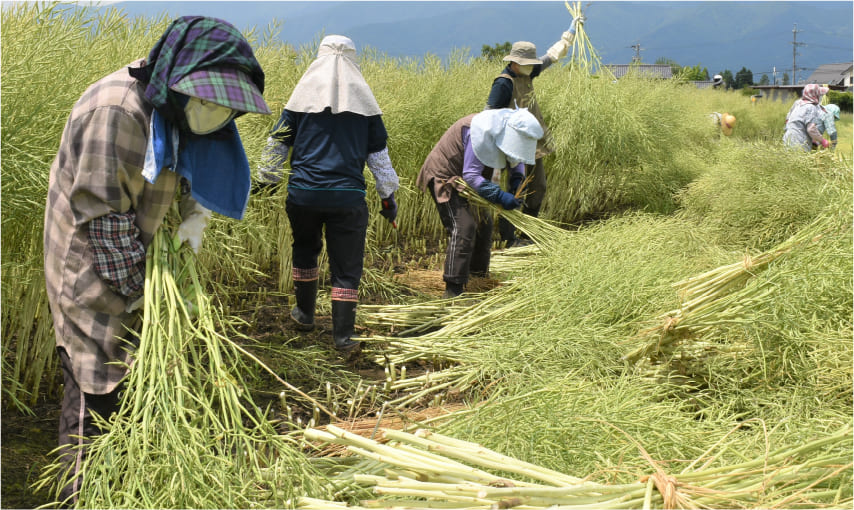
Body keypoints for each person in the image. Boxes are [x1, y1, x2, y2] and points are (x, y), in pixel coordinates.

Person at [43, 16, 270, 505]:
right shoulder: (118, 112)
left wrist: (194, 219)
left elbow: (194, 178)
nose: (216, 111)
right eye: (208, 98)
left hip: (142, 247)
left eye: (226, 104)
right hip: (94, 265)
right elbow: (104, 219)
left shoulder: (185, 112)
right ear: (175, 79)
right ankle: (84, 497)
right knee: (98, 389)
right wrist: (152, 298)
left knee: (144, 385)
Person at [257, 35, 399, 353]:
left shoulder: (298, 103)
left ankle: (305, 314)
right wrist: (388, 198)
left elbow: (276, 145)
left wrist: (264, 183)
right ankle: (343, 337)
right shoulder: (366, 108)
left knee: (305, 249)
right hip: (347, 198)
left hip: (303, 195)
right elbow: (380, 160)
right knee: (346, 266)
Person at [416, 108, 543, 298]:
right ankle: (453, 288)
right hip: (447, 176)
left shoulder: (508, 132)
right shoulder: (480, 131)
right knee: (464, 226)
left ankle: (478, 279)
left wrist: (517, 180)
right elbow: (472, 175)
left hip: (468, 181)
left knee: (485, 225)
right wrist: (500, 196)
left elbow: (517, 162)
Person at [486, 15, 585, 247]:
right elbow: (488, 115)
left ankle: (529, 232)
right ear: (515, 62)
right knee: (516, 188)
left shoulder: (527, 72)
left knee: (538, 186)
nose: (532, 67)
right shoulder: (503, 83)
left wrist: (569, 33)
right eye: (528, 63)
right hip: (512, 146)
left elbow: (551, 56)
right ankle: (509, 239)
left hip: (533, 142)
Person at [783, 84, 831, 152]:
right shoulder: (811, 107)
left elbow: (789, 120)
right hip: (799, 143)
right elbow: (811, 129)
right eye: (819, 95)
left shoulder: (798, 104)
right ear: (815, 95)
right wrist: (822, 140)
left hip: (787, 140)